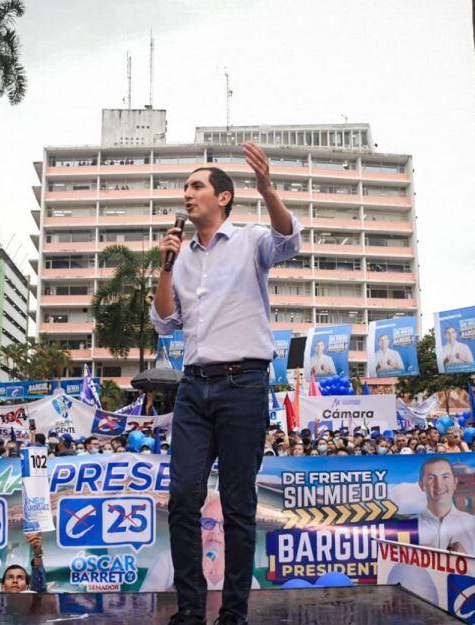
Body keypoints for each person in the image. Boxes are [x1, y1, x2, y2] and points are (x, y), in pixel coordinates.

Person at [151, 143, 301, 625]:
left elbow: (289, 240)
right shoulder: (181, 257)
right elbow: (164, 322)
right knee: (182, 500)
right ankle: (190, 609)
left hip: (244, 384)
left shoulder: (250, 240)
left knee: (237, 505)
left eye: (196, 186)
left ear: (224, 197)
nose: (187, 194)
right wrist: (165, 266)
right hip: (193, 388)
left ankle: (233, 613)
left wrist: (268, 189)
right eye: (185, 187)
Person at [415, 457, 475, 558]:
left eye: (445, 477)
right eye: (431, 478)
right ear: (421, 485)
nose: (439, 484)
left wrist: (464, 557)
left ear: (455, 483)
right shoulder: (409, 527)